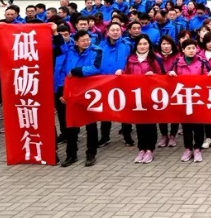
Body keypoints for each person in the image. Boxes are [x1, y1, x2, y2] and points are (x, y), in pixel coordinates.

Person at [54, 29, 103, 167]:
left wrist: (76, 71)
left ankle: (91, 153)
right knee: (71, 124)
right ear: (76, 42)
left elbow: (95, 68)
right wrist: (63, 93)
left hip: (88, 92)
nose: (86, 42)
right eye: (83, 40)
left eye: (88, 39)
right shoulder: (69, 51)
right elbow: (63, 73)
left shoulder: (96, 51)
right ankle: (71, 154)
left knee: (90, 123)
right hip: (71, 92)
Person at [115, 35, 164, 163]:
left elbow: (162, 76)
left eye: (145, 44)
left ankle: (150, 149)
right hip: (136, 96)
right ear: (136, 45)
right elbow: (126, 73)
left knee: (150, 124)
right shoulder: (130, 59)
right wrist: (121, 73)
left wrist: (154, 75)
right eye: (140, 44)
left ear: (149, 45)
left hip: (150, 96)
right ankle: (141, 148)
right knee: (139, 124)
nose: (142, 46)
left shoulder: (155, 58)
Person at [168, 39, 211, 162]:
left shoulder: (202, 62)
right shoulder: (177, 62)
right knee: (186, 125)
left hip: (198, 98)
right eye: (188, 48)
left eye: (193, 48)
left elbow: (207, 76)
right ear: (183, 50)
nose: (191, 50)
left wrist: (210, 75)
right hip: (183, 98)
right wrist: (171, 74)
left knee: (198, 125)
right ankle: (188, 148)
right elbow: (170, 77)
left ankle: (198, 148)